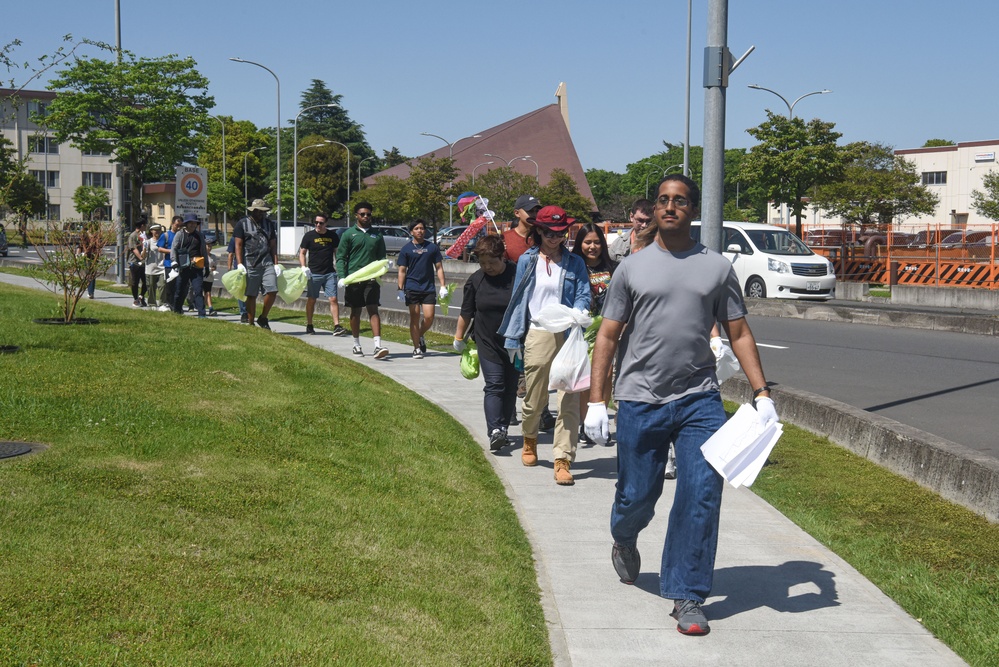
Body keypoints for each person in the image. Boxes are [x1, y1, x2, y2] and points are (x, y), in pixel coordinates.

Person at [584, 174, 778, 636]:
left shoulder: (716, 268)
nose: (670, 208)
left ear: (693, 210)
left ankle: (687, 595)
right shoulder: (631, 268)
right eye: (663, 201)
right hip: (639, 398)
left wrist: (762, 392)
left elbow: (739, 331)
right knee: (638, 495)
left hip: (699, 399)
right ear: (654, 209)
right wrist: (596, 401)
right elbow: (608, 335)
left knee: (701, 495)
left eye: (680, 201)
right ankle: (624, 536)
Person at [499, 206, 590, 485]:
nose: (555, 237)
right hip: (538, 332)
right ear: (539, 230)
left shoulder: (574, 262)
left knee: (569, 399)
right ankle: (530, 438)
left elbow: (584, 293)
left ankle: (563, 458)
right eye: (550, 232)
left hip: (569, 332)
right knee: (535, 398)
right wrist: (514, 337)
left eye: (561, 232)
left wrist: (579, 312)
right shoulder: (527, 260)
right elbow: (518, 300)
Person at [454, 235, 518, 451]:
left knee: (510, 387)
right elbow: (466, 312)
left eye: (492, 262)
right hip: (486, 340)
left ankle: (504, 428)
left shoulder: (517, 274)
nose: (487, 267)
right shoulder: (476, 280)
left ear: (502, 257)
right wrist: (458, 338)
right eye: (482, 263)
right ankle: (495, 430)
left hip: (513, 341)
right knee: (494, 384)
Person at [504, 194, 554, 430]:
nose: (533, 215)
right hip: (514, 307)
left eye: (536, 210)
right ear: (517, 213)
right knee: (514, 359)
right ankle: (510, 408)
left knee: (539, 364)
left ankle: (542, 410)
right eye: (529, 210)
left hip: (539, 309)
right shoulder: (505, 240)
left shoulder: (541, 239)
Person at [570, 223, 618, 446]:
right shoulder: (574, 268)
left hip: (608, 330)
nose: (592, 247)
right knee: (586, 379)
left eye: (597, 242)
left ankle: (600, 423)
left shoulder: (614, 268)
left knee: (606, 374)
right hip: (582, 330)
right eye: (587, 242)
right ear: (580, 244)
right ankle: (585, 424)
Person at [336, 201, 389, 359]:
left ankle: (377, 346)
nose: (366, 217)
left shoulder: (377, 235)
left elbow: (381, 257)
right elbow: (341, 257)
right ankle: (356, 344)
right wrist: (342, 276)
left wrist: (385, 266)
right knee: (355, 311)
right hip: (353, 279)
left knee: (373, 309)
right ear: (356, 215)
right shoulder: (348, 234)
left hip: (371, 279)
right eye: (363, 214)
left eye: (369, 214)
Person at [397, 219, 447, 359]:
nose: (420, 231)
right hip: (412, 287)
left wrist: (443, 286)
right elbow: (402, 270)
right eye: (417, 228)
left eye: (422, 228)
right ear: (412, 231)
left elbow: (439, 267)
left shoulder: (432, 248)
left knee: (429, 317)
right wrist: (400, 289)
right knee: (415, 317)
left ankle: (419, 335)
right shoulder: (406, 249)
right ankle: (416, 348)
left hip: (428, 287)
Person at [233, 199, 279, 329]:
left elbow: (273, 244)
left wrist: (276, 263)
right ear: (253, 211)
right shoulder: (242, 224)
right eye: (258, 211)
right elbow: (238, 244)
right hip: (250, 263)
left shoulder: (269, 224)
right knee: (251, 294)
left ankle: (263, 317)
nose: (261, 214)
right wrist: (240, 263)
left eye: (263, 211)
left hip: (267, 262)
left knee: (272, 290)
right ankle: (251, 321)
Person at [299, 213, 346, 336]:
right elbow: (302, 252)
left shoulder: (333, 236)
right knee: (312, 300)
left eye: (321, 223)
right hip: (314, 273)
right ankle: (309, 325)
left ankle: (336, 326)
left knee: (333, 299)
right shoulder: (309, 236)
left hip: (329, 272)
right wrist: (304, 267)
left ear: (326, 223)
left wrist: (340, 270)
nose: (318, 225)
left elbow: (337, 253)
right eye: (316, 223)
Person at [171, 214, 207, 317]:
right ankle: (177, 310)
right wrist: (174, 261)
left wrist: (207, 266)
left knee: (198, 290)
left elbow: (203, 251)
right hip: (183, 267)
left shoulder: (199, 235)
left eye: (195, 223)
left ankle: (202, 313)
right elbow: (174, 248)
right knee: (180, 290)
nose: (193, 225)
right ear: (186, 224)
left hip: (197, 267)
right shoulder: (180, 234)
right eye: (191, 223)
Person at [608, 199, 654, 263]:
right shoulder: (618, 246)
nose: (644, 225)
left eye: (649, 221)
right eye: (640, 220)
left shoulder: (662, 243)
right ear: (631, 217)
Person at [503, 194, 540, 263]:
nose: (535, 215)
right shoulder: (505, 239)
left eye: (537, 211)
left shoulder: (543, 237)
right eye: (530, 211)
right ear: (517, 213)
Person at [157, 216, 182, 311]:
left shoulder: (182, 235)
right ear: (172, 224)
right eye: (177, 225)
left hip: (180, 264)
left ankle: (176, 305)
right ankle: (170, 304)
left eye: (180, 226)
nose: (179, 228)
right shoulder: (166, 235)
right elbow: (159, 248)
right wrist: (171, 251)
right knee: (170, 286)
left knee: (179, 286)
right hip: (169, 264)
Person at [126, 217, 148, 307]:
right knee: (135, 282)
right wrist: (140, 258)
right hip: (134, 262)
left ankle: (141, 296)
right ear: (142, 225)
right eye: (145, 225)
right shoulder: (133, 235)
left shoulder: (144, 235)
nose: (146, 226)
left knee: (146, 282)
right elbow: (133, 248)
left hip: (144, 263)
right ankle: (135, 299)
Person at [227, 235, 248, 322]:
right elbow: (231, 254)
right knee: (245, 290)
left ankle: (245, 312)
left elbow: (231, 255)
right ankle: (245, 312)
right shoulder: (235, 239)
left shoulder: (234, 238)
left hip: (242, 268)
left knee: (241, 291)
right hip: (243, 267)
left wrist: (229, 270)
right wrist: (229, 268)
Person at [143, 224, 165, 308]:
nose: (157, 232)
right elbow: (143, 256)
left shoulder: (163, 241)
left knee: (163, 286)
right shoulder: (148, 242)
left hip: (162, 267)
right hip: (150, 268)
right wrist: (145, 248)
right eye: (155, 230)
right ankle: (152, 303)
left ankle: (162, 303)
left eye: (159, 230)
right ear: (151, 231)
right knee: (151, 287)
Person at [202, 238, 218, 316]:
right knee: (205, 292)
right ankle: (208, 307)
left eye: (210, 246)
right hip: (202, 276)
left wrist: (214, 268)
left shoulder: (213, 257)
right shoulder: (202, 256)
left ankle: (207, 308)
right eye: (207, 245)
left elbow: (215, 266)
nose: (209, 247)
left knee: (207, 292)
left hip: (210, 277)